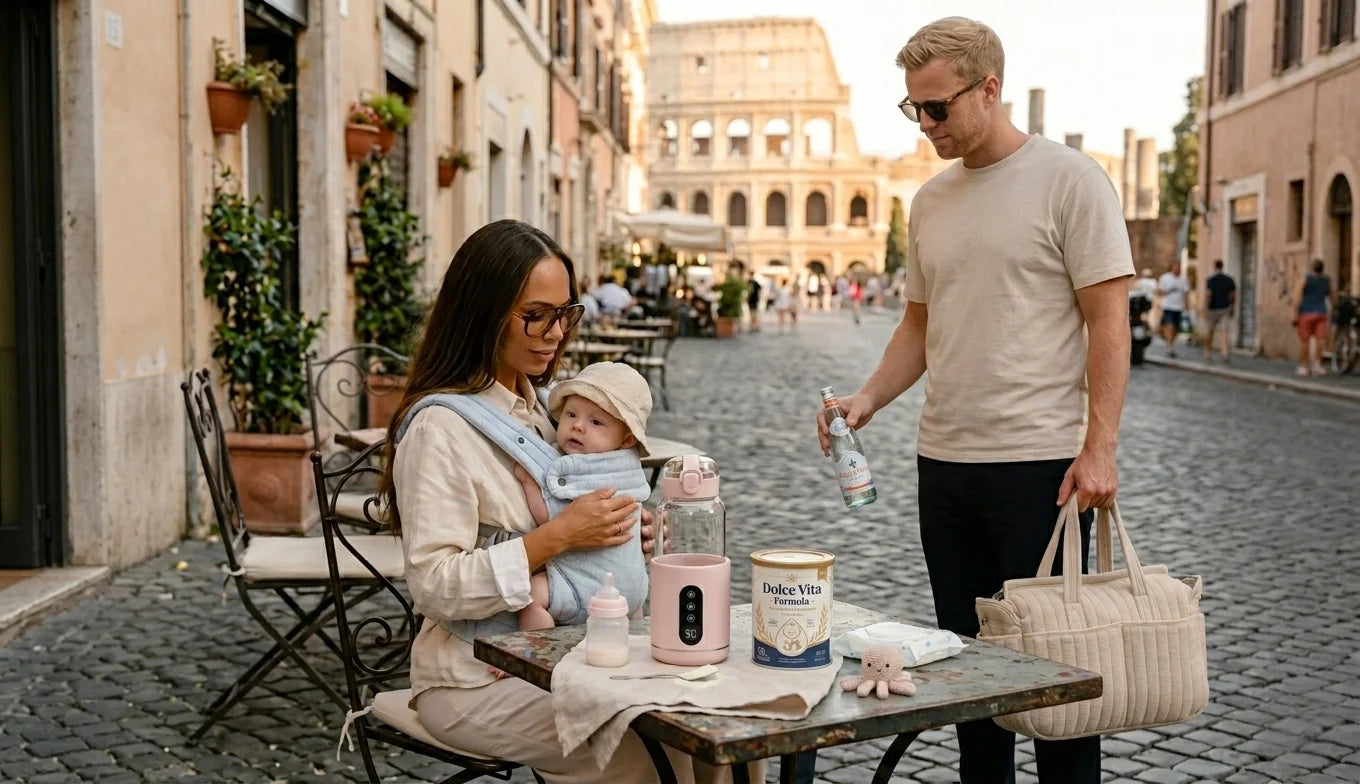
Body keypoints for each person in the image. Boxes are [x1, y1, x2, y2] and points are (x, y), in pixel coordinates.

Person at [817, 18, 1132, 784]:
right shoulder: (929, 202)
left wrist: (1100, 447)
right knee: (967, 676)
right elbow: (919, 326)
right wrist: (868, 399)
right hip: (944, 465)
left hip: (1041, 469)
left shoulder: (1071, 180)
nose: (925, 126)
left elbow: (1108, 318)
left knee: (1056, 683)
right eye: (912, 110)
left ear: (989, 90)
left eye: (938, 108)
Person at [379, 219, 760, 783]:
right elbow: (434, 584)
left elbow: (571, 528)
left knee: (722, 725)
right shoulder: (441, 428)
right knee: (655, 743)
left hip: (564, 656)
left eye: (564, 314)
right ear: (481, 312)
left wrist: (621, 539)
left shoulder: (543, 410)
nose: (555, 332)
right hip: (472, 676)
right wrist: (560, 537)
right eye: (535, 314)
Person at [512, 362, 653, 632]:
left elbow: (552, 516)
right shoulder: (628, 469)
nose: (577, 426)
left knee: (530, 597)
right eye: (570, 414)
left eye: (596, 422)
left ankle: (535, 647)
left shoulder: (591, 473)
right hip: (634, 588)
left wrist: (529, 483)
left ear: (627, 440)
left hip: (587, 584)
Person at [1296, 259, 1332, 376]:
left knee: (1305, 341)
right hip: (1321, 312)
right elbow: (1332, 295)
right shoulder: (1326, 280)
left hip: (1306, 312)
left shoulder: (1305, 279)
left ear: (1312, 268)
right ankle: (1317, 364)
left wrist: (1295, 314)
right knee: (1320, 340)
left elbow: (1298, 297)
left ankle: (1303, 366)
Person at [1202, 260, 1236, 362]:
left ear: (1214, 267)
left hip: (1213, 309)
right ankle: (1224, 353)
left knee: (1210, 332)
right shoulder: (1229, 280)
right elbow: (1232, 295)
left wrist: (1205, 308)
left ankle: (1208, 352)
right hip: (1225, 308)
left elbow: (1208, 294)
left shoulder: (1211, 280)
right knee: (1224, 331)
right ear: (1222, 267)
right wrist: (1232, 307)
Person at [1157, 262, 1190, 357]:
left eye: (1179, 267)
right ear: (1172, 267)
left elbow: (1186, 293)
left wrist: (1187, 306)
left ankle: (1170, 342)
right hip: (1168, 306)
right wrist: (1167, 291)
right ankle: (1169, 346)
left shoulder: (1183, 279)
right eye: (1175, 267)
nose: (1177, 269)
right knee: (1169, 326)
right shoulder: (1165, 277)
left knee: (1176, 329)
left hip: (1179, 308)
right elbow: (1159, 291)